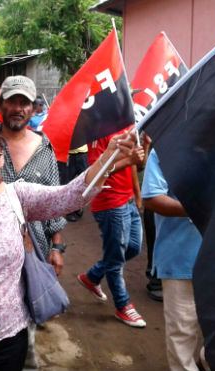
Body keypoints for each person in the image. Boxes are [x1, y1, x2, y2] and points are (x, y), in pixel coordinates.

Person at [0, 120, 140, 371]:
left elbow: (71, 196)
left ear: (1, 158)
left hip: (7, 338)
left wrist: (106, 160)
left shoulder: (17, 196)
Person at [0, 75, 65, 368]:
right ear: (1, 104)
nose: (17, 108)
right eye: (12, 100)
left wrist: (57, 247)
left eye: (24, 102)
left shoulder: (44, 149)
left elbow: (54, 202)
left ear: (34, 108)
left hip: (31, 251)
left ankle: (26, 361)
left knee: (27, 321)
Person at [77, 128, 147, 328]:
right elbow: (96, 170)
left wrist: (137, 193)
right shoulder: (99, 131)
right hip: (109, 203)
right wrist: (129, 159)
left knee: (133, 247)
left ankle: (92, 277)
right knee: (116, 258)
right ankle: (123, 306)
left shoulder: (128, 126)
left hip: (128, 200)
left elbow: (136, 164)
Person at [142, 149, 205, 371]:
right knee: (182, 340)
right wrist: (201, 210)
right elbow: (151, 197)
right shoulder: (168, 147)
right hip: (180, 258)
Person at [57, 144, 89, 222]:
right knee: (67, 184)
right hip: (67, 154)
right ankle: (70, 211)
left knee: (86, 182)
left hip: (82, 153)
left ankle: (77, 206)